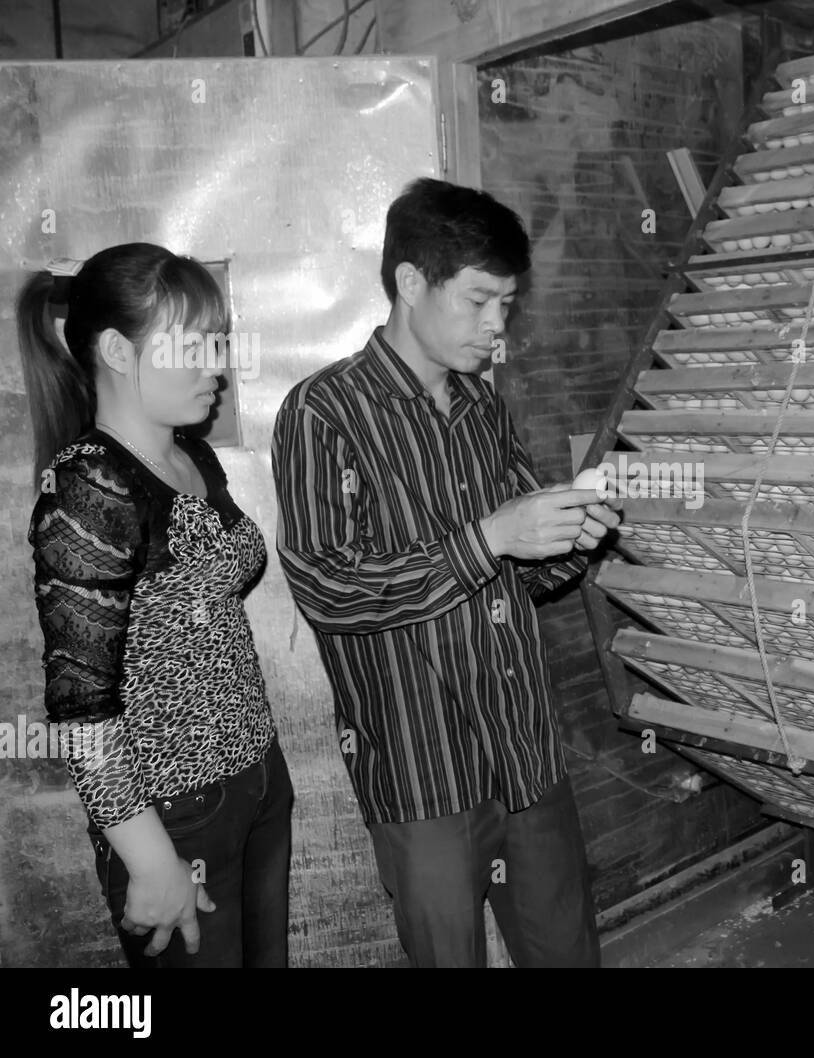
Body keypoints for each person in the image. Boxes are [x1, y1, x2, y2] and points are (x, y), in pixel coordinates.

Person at [272, 178, 619, 968]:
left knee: (568, 954)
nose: (498, 325)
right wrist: (491, 537)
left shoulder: (482, 407)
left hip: (525, 755)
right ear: (409, 283)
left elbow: (520, 575)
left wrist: (571, 534)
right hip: (424, 772)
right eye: (480, 301)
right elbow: (329, 588)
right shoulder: (322, 412)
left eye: (508, 304)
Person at [20, 244, 292, 968]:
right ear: (116, 349)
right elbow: (81, 710)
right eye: (197, 343)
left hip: (255, 779)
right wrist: (148, 859)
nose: (219, 366)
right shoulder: (90, 487)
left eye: (220, 342)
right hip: (175, 815)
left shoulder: (190, 457)